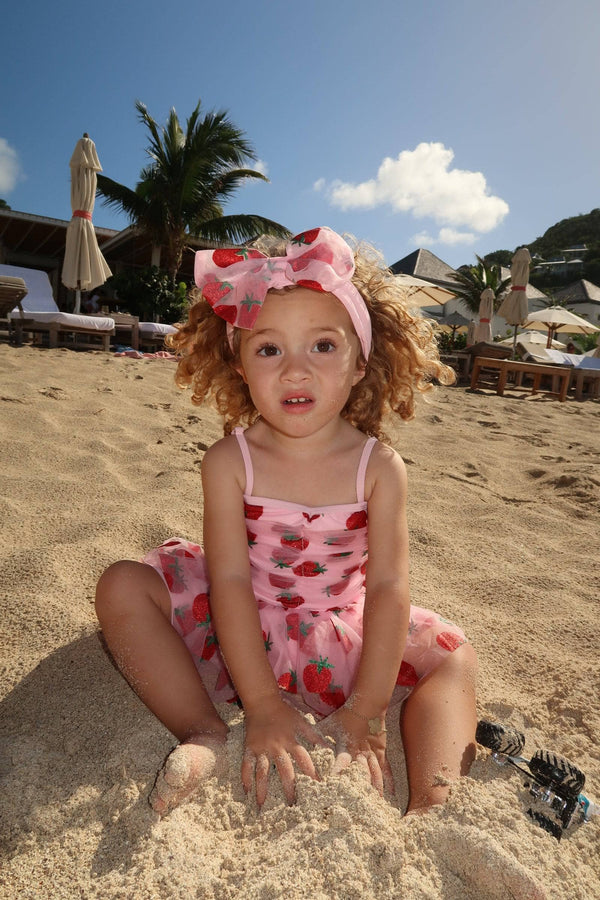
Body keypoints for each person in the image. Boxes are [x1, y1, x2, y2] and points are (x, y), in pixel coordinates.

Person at [95, 226, 478, 817]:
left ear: (360, 363)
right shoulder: (229, 461)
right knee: (121, 584)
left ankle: (435, 800)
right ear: (241, 366)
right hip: (239, 626)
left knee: (454, 656)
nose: (295, 370)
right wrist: (264, 706)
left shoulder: (379, 467)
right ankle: (203, 730)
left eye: (322, 346)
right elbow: (226, 581)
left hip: (338, 633)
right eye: (269, 349)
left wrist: (368, 710)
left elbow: (387, 588)